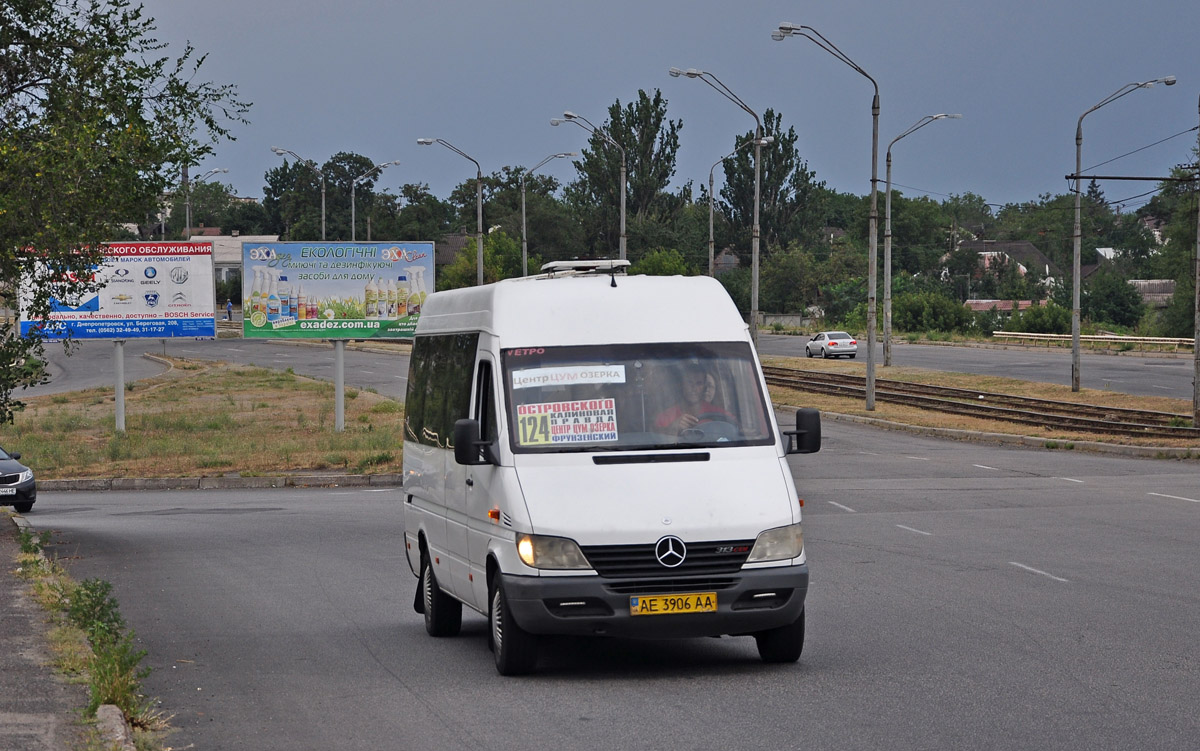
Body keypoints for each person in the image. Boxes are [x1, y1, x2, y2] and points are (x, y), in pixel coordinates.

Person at [654, 363, 733, 436]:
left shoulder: (718, 414)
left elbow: (737, 429)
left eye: (699, 383)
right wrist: (674, 428)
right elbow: (656, 440)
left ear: (704, 387)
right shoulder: (666, 417)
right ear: (681, 385)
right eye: (689, 382)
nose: (693, 388)